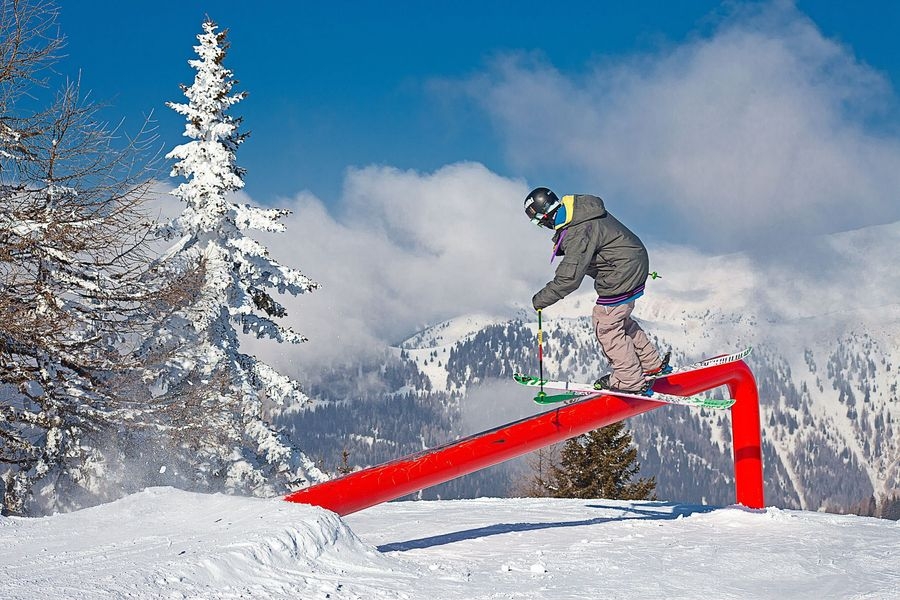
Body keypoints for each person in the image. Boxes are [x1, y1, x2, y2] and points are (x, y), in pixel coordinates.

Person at [524, 187, 669, 395]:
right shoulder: (579, 214)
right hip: (632, 265)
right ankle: (651, 364)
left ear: (544, 215)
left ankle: (629, 380)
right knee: (619, 320)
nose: (540, 226)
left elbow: (569, 278)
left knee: (606, 326)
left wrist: (540, 299)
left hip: (621, 273)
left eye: (537, 221)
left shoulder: (578, 231)